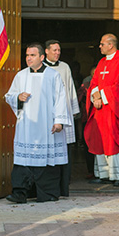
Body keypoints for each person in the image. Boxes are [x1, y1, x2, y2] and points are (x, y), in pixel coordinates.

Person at [5, 43, 72, 203]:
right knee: (23, 160)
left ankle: (47, 193)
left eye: (32, 55)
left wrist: (59, 121)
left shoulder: (52, 75)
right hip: (26, 126)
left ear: (42, 57)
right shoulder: (21, 76)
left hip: (46, 125)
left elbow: (61, 99)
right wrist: (17, 97)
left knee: (46, 160)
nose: (28, 58)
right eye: (27, 55)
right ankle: (20, 193)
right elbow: (9, 95)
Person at [84, 34, 119, 186]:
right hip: (102, 110)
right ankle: (104, 174)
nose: (100, 47)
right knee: (101, 140)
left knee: (116, 139)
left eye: (102, 44)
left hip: (117, 111)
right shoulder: (102, 62)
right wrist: (95, 97)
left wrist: (101, 96)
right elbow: (94, 82)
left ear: (111, 45)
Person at [44, 40, 80, 196]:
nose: (57, 53)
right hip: (47, 115)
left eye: (59, 50)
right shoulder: (40, 67)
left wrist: (73, 111)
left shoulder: (65, 67)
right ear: (46, 51)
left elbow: (70, 88)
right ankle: (49, 184)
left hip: (64, 113)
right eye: (54, 50)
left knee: (66, 150)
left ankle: (65, 183)